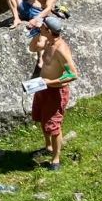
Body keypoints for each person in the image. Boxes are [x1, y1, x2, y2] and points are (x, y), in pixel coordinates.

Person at [28, 15, 79, 171]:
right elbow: (32, 48)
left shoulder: (61, 49)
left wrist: (50, 82)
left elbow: (73, 74)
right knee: (41, 117)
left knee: (54, 126)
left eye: (43, 27)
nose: (41, 27)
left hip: (55, 91)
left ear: (49, 30)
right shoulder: (48, 42)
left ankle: (56, 160)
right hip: (42, 87)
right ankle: (48, 146)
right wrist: (37, 33)